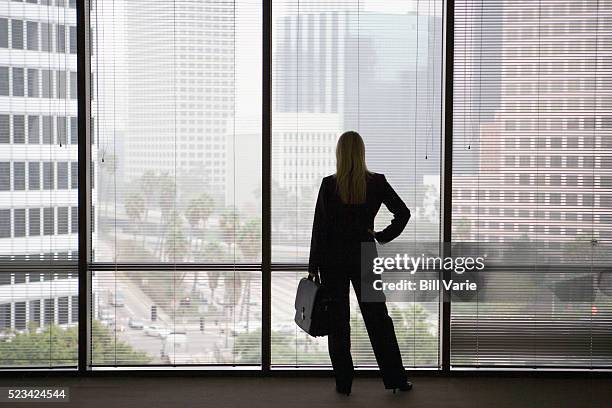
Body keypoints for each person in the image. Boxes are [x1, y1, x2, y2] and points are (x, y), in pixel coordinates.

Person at [308, 130, 413, 396]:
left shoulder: (329, 185)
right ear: (362, 152)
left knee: (338, 324)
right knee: (379, 320)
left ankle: (344, 384)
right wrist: (380, 236)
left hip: (333, 261)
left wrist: (313, 267)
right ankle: (397, 380)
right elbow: (403, 213)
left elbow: (319, 229)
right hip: (364, 257)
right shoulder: (376, 182)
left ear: (339, 154)